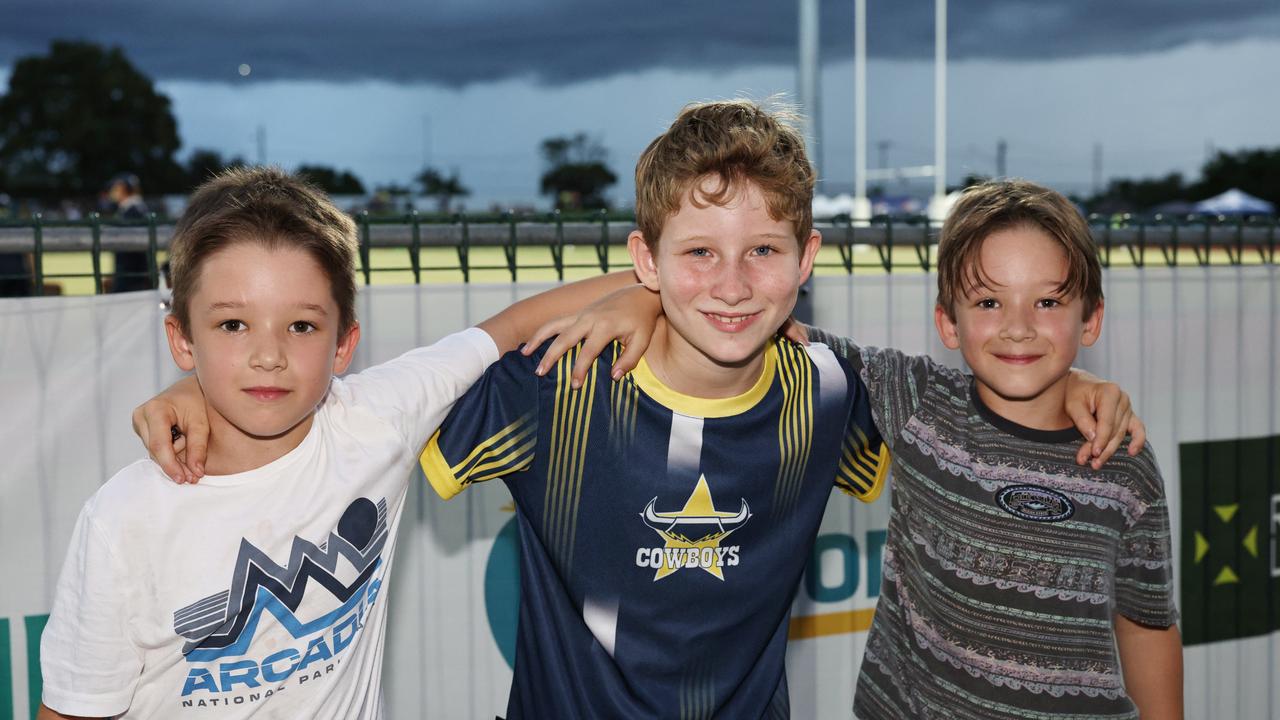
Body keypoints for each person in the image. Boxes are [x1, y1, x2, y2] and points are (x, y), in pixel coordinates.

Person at [133, 104, 1142, 717]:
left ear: (806, 262)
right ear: (644, 260)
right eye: (697, 254)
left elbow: (986, 390)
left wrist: (1072, 390)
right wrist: (208, 399)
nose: (734, 284)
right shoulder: (551, 386)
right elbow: (343, 428)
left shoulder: (830, 392)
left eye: (761, 253)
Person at [37, 166, 661, 719]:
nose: (267, 355)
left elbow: (517, 326)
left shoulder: (375, 420)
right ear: (182, 339)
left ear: (343, 344)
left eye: (301, 325)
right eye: (233, 324)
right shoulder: (125, 519)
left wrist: (647, 295)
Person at [810, 179, 1181, 719]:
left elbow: (1146, 621)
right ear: (947, 321)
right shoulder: (916, 402)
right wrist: (644, 300)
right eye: (988, 301)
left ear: (1092, 318)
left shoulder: (1123, 461)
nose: (1018, 328)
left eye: (1048, 301)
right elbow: (769, 333)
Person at [106, 172, 154, 293]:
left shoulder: (133, 210)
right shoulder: (135, 208)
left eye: (115, 187)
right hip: (134, 275)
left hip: (131, 277)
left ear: (123, 188)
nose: (112, 191)